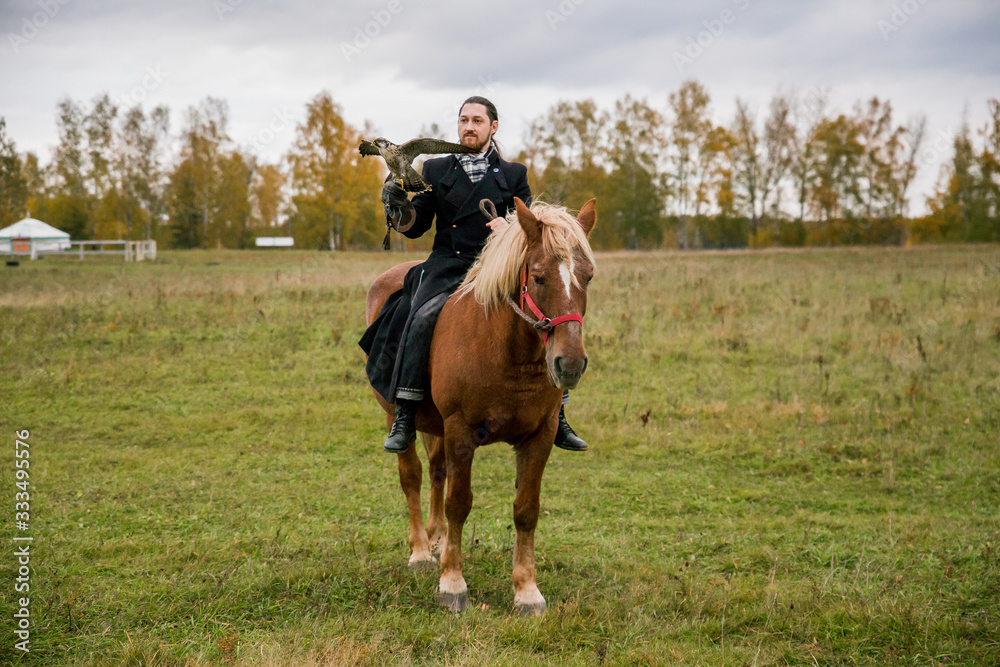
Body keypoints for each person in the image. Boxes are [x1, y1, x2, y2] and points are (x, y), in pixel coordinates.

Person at [359, 96, 587, 454]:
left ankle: (557, 415)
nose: (469, 126)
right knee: (419, 317)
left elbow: (534, 226)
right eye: (464, 120)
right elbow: (416, 227)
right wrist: (399, 209)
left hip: (496, 268)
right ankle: (405, 411)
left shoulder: (514, 174)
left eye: (477, 121)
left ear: (492, 127)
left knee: (547, 315)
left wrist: (509, 227)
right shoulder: (434, 169)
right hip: (449, 263)